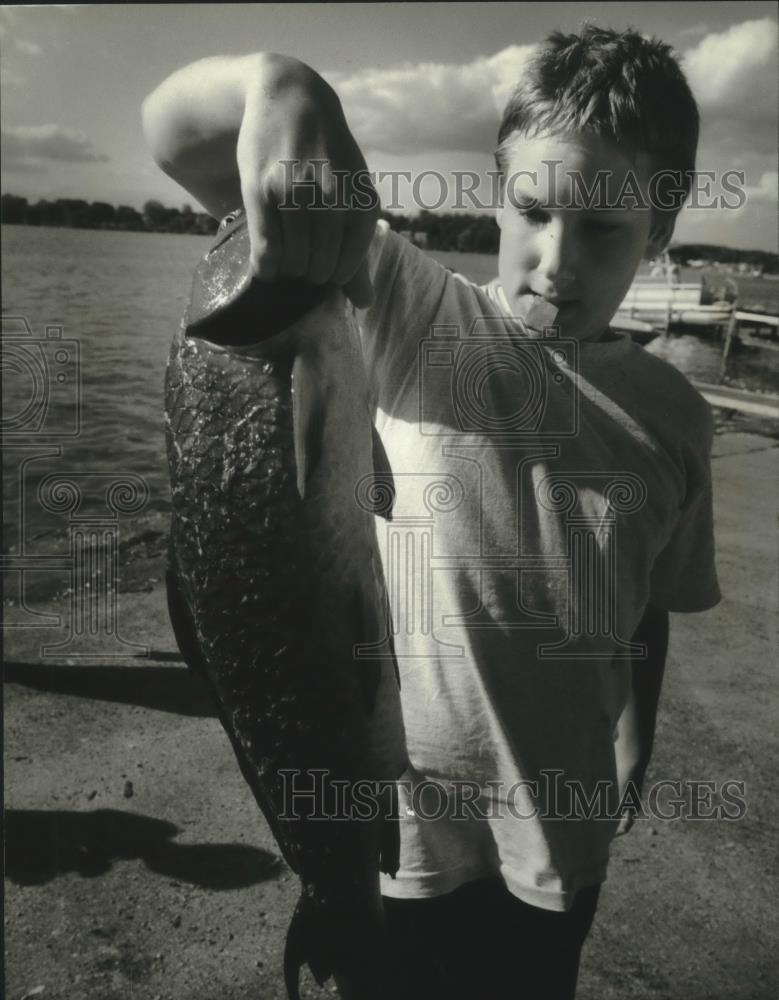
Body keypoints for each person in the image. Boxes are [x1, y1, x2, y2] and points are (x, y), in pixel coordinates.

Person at [143, 25, 720, 1000]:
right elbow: (178, 139)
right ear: (494, 193)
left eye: (603, 228)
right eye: (533, 211)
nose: (556, 261)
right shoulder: (414, 316)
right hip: (401, 815)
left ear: (659, 229)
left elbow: (645, 601)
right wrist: (274, 86)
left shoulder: (674, 419)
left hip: (556, 818)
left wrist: (636, 735)